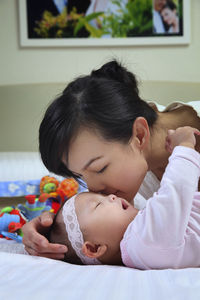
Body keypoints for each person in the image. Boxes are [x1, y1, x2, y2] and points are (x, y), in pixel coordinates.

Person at [22, 60, 200, 258]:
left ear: (140, 135)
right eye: (81, 176)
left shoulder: (164, 157)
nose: (93, 189)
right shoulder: (132, 171)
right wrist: (52, 229)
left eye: (100, 169)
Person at [49, 126, 200, 269]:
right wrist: (184, 147)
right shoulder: (142, 241)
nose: (111, 196)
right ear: (93, 248)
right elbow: (175, 192)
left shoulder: (139, 245)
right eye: (98, 205)